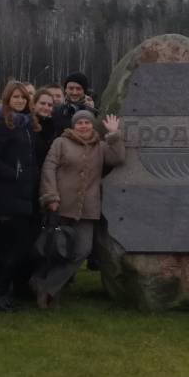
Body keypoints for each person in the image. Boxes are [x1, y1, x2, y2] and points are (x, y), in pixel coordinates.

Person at [35, 111, 124, 309]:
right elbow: (49, 168)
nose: (83, 125)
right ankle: (52, 293)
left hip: (88, 208)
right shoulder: (61, 143)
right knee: (58, 250)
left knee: (83, 250)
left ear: (92, 125)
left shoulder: (100, 147)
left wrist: (114, 134)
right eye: (79, 123)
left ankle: (46, 286)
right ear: (73, 125)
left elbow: (118, 158)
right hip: (61, 205)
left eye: (87, 122)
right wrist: (51, 195)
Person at [0, 87, 40, 311]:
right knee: (8, 249)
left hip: (26, 194)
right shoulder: (2, 124)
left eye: (23, 97)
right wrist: (13, 174)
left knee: (19, 248)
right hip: (7, 195)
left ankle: (2, 292)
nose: (20, 100)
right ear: (8, 100)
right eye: (15, 97)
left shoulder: (28, 125)